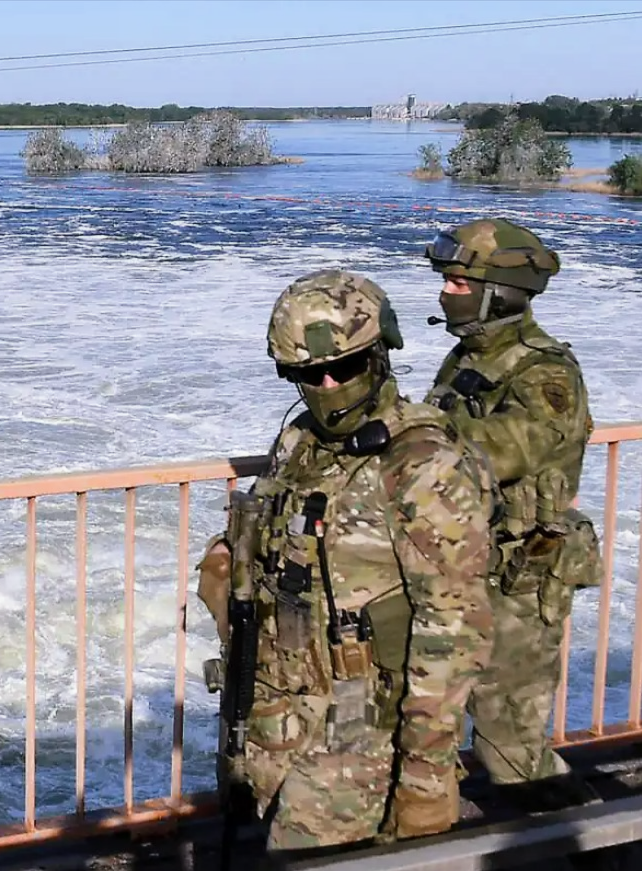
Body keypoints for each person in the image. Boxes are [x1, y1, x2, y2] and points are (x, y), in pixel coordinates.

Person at [197, 268, 495, 857]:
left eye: (346, 367)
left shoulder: (421, 462)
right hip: (281, 712)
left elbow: (453, 630)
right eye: (308, 374)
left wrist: (426, 777)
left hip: (363, 733)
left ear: (381, 352)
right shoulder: (301, 443)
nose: (328, 382)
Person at [423, 218, 604, 811]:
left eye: (457, 283)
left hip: (522, 578)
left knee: (510, 746)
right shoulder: (467, 357)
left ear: (499, 291)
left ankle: (591, 843)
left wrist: (411, 436)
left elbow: (506, 448)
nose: (446, 293)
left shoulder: (544, 371)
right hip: (463, 567)